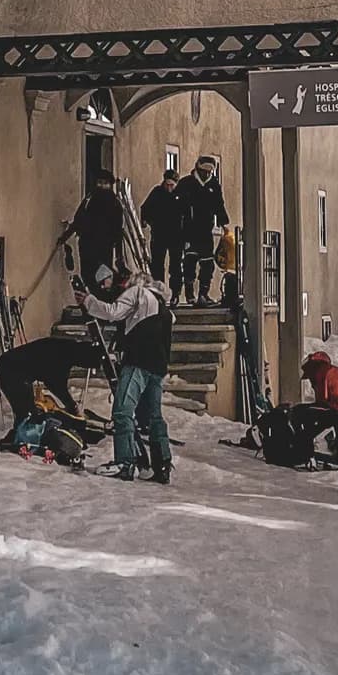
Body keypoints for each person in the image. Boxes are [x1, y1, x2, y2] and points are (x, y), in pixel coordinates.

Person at [80, 263, 174, 483]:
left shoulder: (138, 293)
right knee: (154, 417)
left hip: (139, 361)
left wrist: (88, 301)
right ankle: (163, 464)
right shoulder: (164, 306)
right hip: (158, 366)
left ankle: (124, 462)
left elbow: (113, 313)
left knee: (123, 412)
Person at [174, 155, 230, 306]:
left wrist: (224, 223)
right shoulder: (186, 184)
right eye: (204, 171)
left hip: (206, 230)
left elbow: (219, 205)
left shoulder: (213, 185)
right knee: (189, 262)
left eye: (209, 172)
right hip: (188, 231)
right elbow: (176, 207)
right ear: (197, 168)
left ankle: (203, 294)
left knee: (207, 263)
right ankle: (190, 293)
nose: (206, 174)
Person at [65, 171, 127, 284]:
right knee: (87, 276)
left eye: (105, 183)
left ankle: (99, 300)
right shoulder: (89, 199)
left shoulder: (115, 204)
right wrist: (65, 237)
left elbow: (118, 231)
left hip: (104, 247)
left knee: (103, 278)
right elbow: (78, 219)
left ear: (110, 185)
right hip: (87, 245)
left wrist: (119, 256)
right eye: (99, 182)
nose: (102, 186)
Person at [140, 170, 186, 299]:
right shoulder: (157, 192)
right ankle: (158, 293)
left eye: (172, 185)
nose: (169, 188)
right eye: (167, 185)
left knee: (175, 267)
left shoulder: (181, 195)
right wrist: (147, 221)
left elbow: (187, 214)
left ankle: (174, 293)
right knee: (157, 265)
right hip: (159, 235)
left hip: (176, 236)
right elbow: (145, 208)